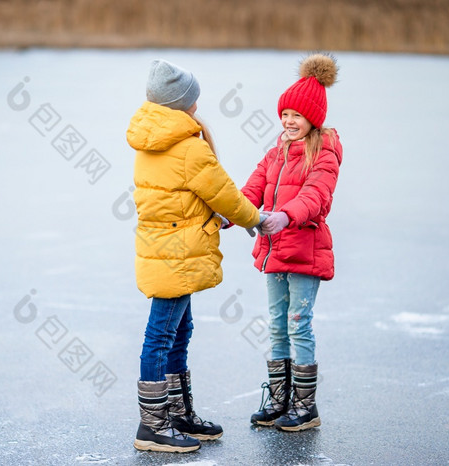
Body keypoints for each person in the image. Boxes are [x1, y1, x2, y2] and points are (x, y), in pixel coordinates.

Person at [127, 59, 263, 452]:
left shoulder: (151, 141)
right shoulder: (187, 147)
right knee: (162, 335)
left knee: (178, 331)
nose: (197, 109)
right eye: (193, 102)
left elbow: (182, 195)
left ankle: (177, 412)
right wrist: (255, 218)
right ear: (179, 104)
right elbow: (223, 192)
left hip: (163, 247)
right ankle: (152, 426)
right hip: (177, 253)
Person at [241, 53, 343, 432]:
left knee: (299, 324)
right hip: (274, 252)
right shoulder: (276, 152)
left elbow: (316, 195)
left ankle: (305, 406)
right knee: (276, 326)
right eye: (284, 114)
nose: (288, 121)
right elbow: (251, 189)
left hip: (305, 250)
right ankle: (280, 399)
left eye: (296, 116)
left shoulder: (324, 152)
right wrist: (229, 213)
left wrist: (284, 215)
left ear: (312, 119)